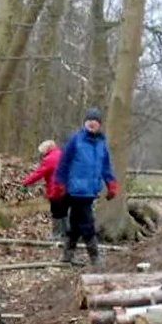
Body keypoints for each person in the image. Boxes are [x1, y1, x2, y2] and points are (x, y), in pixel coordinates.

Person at [53, 107, 119, 266]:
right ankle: (95, 257)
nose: (91, 123)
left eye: (95, 121)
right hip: (75, 190)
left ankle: (67, 255)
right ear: (85, 123)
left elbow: (106, 166)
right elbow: (63, 163)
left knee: (75, 223)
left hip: (90, 190)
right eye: (89, 120)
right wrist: (60, 183)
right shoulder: (76, 140)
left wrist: (111, 184)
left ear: (99, 125)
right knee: (87, 222)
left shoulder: (102, 144)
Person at [22, 139, 69, 239]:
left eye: (42, 151)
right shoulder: (62, 154)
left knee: (56, 212)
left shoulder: (49, 159)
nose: (42, 153)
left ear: (47, 149)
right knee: (64, 212)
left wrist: (26, 182)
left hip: (55, 189)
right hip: (66, 187)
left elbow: (38, 173)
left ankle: (56, 234)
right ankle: (66, 233)